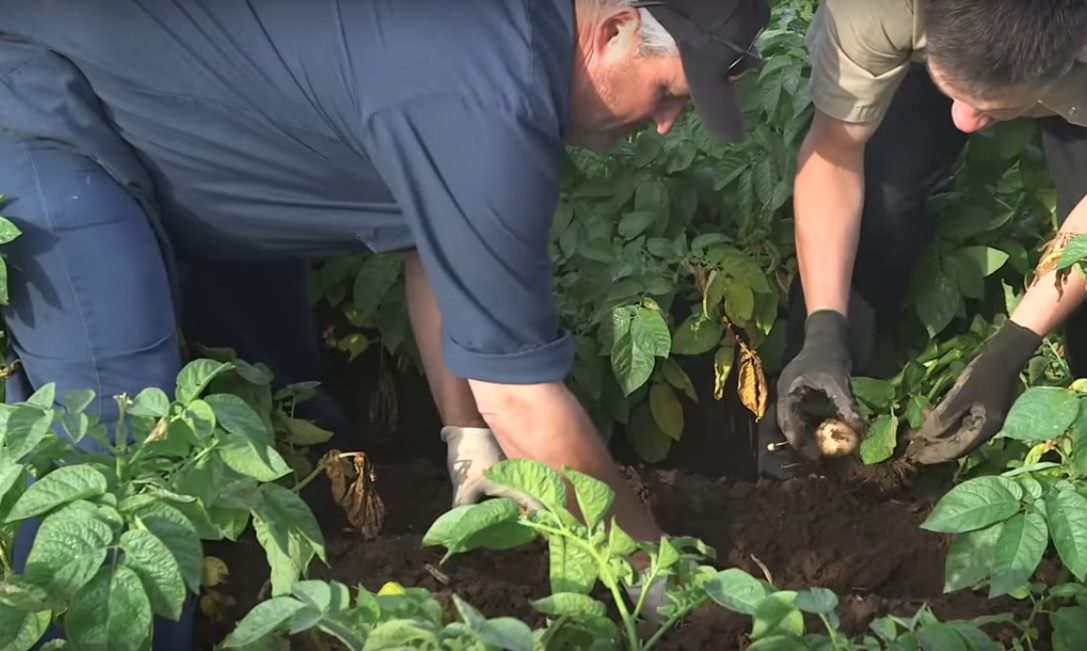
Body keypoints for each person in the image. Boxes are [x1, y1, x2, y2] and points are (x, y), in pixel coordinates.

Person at [0, 0, 769, 646]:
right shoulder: (488, 95)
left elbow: (435, 244)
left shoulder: (509, 45)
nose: (668, 124)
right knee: (114, 453)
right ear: (613, 30)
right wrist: (657, 578)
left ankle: (278, 576)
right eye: (668, 92)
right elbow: (523, 396)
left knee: (287, 405)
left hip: (198, 107)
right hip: (53, 104)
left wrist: (471, 446)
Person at [759, 0, 1087, 475]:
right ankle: (813, 420)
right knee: (881, 206)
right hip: (934, 36)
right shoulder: (879, 7)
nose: (962, 120)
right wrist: (823, 329)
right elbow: (836, 149)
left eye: (989, 109)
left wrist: (1010, 350)